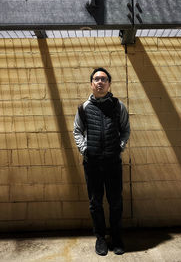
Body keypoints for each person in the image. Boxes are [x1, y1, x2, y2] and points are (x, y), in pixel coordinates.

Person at [73, 67, 130, 256]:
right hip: (93, 164)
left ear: (109, 84)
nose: (100, 82)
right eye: (96, 79)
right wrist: (85, 150)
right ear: (91, 84)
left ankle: (116, 237)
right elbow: (77, 131)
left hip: (113, 162)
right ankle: (100, 238)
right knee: (95, 202)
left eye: (104, 79)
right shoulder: (83, 108)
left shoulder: (118, 105)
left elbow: (125, 130)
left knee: (115, 202)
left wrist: (119, 147)